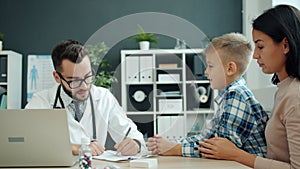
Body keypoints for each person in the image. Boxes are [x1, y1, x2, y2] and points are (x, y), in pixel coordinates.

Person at [198, 5, 300, 169]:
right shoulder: (284, 90)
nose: (255, 55)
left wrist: (237, 155)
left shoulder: (295, 98)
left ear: (285, 45)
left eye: (260, 46)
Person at [147, 32, 269, 157]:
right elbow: (206, 137)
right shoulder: (227, 96)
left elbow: (219, 150)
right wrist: (171, 144)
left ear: (230, 69)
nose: (206, 72)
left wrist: (176, 149)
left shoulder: (237, 96)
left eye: (210, 66)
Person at [25, 40, 146, 156]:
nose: (84, 86)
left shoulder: (104, 97)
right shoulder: (41, 102)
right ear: (57, 77)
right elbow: (27, 142)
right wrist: (76, 148)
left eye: (88, 76)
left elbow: (132, 134)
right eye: (74, 81)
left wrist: (136, 144)